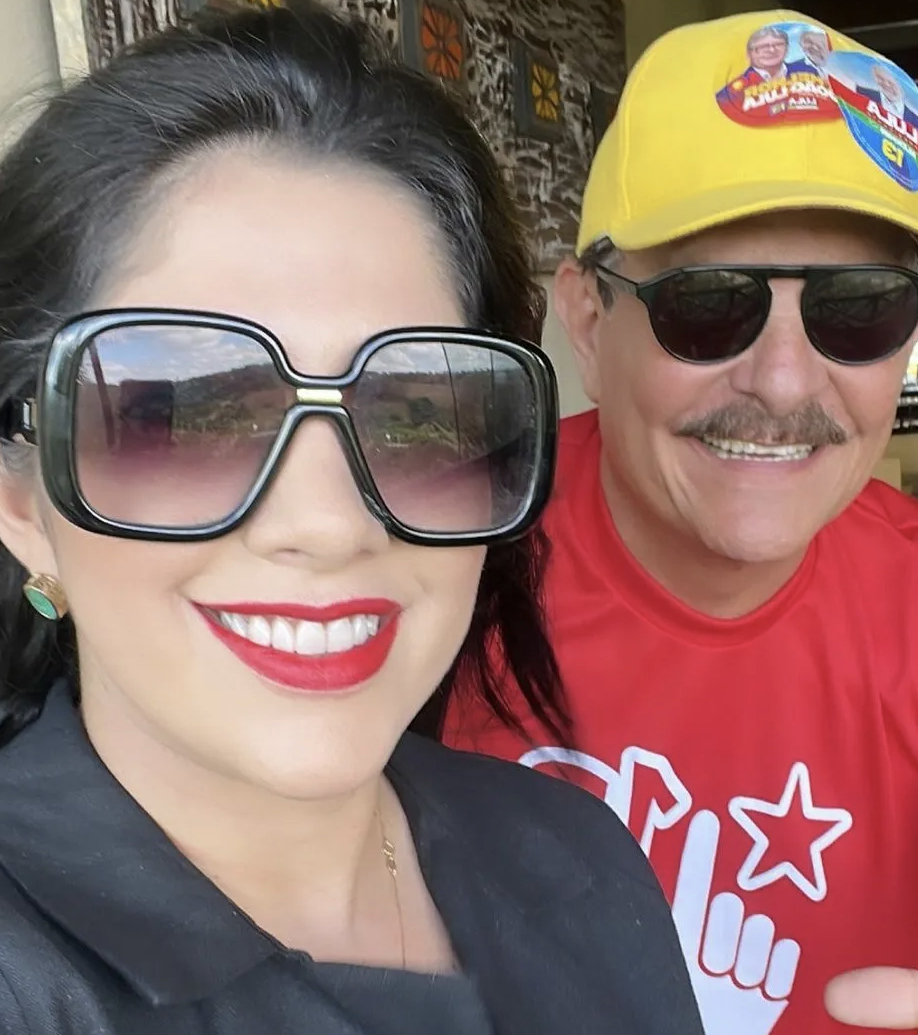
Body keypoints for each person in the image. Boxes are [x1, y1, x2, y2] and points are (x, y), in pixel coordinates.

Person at [0, 3, 709, 1032]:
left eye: (417, 416)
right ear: (23, 500)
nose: (330, 525)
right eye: (186, 415)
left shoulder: (577, 856)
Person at [446, 9, 918, 1035]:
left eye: (857, 308)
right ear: (589, 319)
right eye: (707, 303)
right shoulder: (445, 556)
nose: (782, 383)